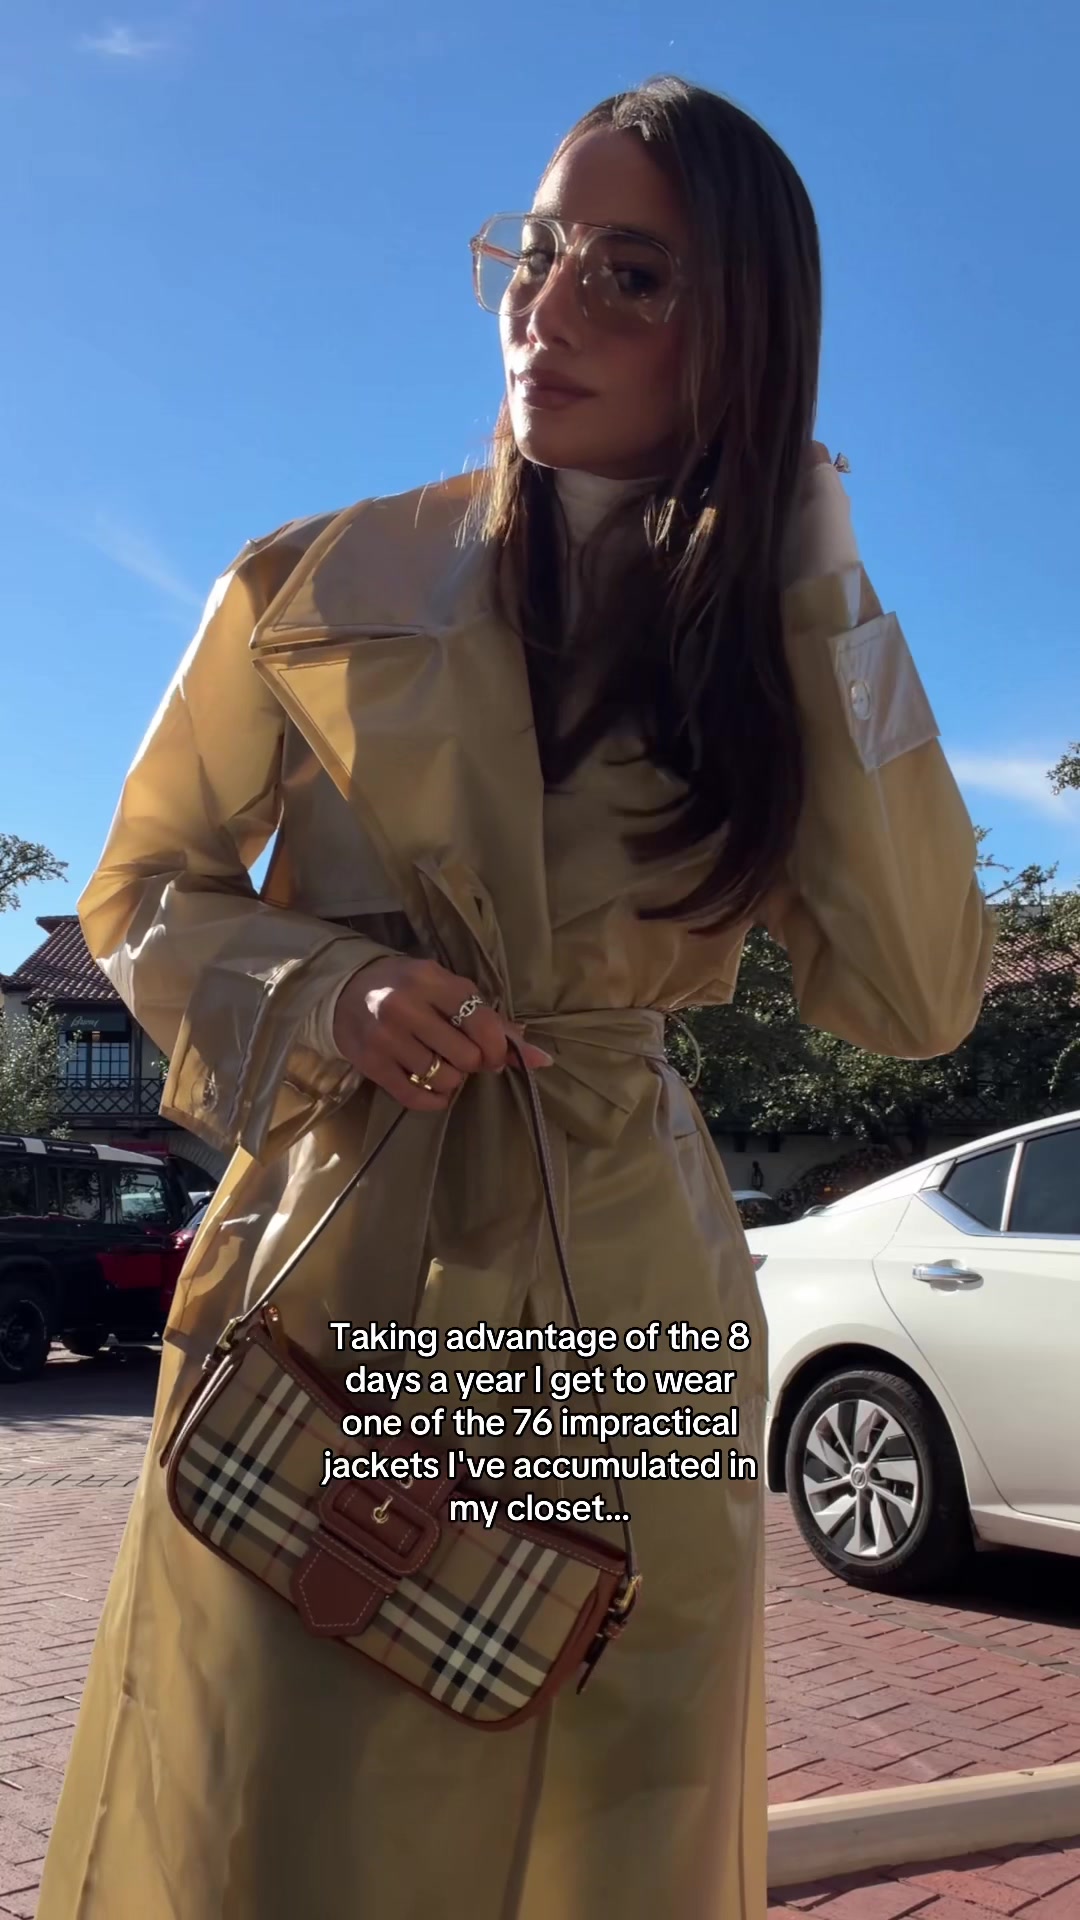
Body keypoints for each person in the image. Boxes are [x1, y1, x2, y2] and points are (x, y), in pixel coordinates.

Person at [38, 75, 996, 1920]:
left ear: (745, 332)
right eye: (539, 250)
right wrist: (322, 987)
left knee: (613, 1784)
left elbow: (917, 992)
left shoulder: (781, 643)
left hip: (629, 1289)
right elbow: (137, 891)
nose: (545, 308)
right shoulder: (314, 584)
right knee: (294, 1782)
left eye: (629, 274)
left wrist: (826, 585)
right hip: (346, 1248)